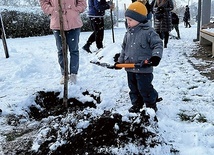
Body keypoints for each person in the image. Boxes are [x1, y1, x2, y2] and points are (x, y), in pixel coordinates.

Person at [115, 1, 163, 112]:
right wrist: (120, 61)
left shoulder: (149, 32)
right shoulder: (128, 33)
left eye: (130, 20)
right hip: (130, 67)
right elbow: (124, 48)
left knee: (144, 88)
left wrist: (155, 57)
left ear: (140, 19)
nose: (128, 22)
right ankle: (137, 104)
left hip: (143, 68)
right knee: (133, 89)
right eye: (127, 19)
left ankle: (151, 104)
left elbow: (158, 44)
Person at [39, 0, 87, 85]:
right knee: (61, 51)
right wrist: (52, 10)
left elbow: (82, 1)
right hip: (57, 22)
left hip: (73, 23)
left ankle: (73, 74)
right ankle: (64, 74)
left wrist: (76, 9)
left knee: (74, 50)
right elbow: (44, 2)